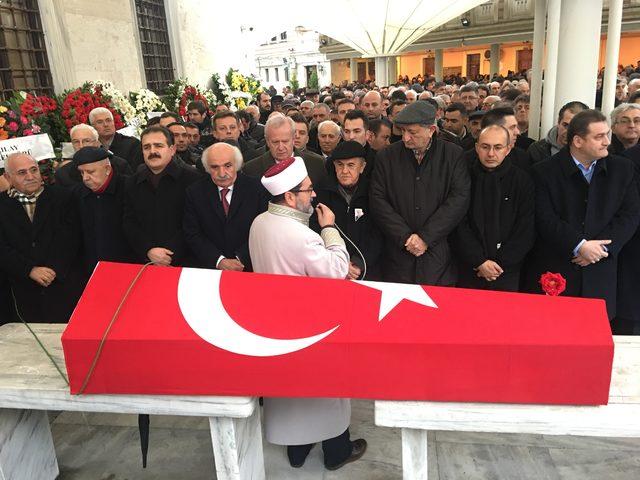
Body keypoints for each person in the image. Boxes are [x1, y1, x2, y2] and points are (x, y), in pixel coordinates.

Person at [249, 156, 367, 471]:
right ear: (289, 196)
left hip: (275, 328)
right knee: (325, 393)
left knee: (290, 394)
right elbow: (337, 269)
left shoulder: (260, 222)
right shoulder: (302, 236)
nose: (313, 195)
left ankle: (298, 452)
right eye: (308, 190)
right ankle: (337, 452)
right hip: (311, 329)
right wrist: (329, 229)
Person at [526, 109, 640, 319]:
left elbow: (630, 215)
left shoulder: (623, 169)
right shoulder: (543, 172)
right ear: (578, 141)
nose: (607, 141)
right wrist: (579, 245)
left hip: (601, 269)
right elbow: (545, 218)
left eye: (607, 134)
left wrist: (599, 248)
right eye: (599, 136)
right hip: (559, 267)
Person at [370, 101, 470, 285]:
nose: (406, 138)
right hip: (397, 254)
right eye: (402, 131)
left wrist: (426, 237)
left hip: (438, 254)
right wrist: (406, 237)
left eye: (413, 133)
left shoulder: (453, 155)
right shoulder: (386, 157)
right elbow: (378, 200)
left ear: (431, 129)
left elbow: (458, 199)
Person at [0, 153, 82, 323]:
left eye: (33, 170)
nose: (30, 176)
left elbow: (72, 238)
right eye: (22, 173)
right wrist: (29, 270)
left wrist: (52, 269)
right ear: (8, 177)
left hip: (62, 286)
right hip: (20, 290)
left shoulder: (63, 197)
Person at [452, 126, 535, 291]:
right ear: (476, 147)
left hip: (506, 271)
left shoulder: (522, 181)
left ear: (508, 149)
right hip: (468, 268)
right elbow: (457, 222)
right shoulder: (462, 176)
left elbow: (526, 228)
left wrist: (499, 264)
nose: (491, 153)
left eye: (498, 147)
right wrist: (479, 261)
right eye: (485, 147)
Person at [123, 126, 202, 266]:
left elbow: (195, 223)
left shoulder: (193, 180)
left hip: (185, 262)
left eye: (158, 146)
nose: (152, 151)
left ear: (172, 150)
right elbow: (129, 223)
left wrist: (169, 253)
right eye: (147, 147)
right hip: (145, 262)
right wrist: (148, 250)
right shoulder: (132, 183)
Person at [183, 143, 268, 271]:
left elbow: (263, 230)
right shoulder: (195, 193)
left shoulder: (257, 189)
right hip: (210, 269)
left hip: (250, 267)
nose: (222, 173)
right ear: (207, 168)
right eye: (214, 167)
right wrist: (219, 260)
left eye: (228, 166)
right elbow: (193, 233)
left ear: (237, 165)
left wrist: (241, 258)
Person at [312, 141, 383, 280]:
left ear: (362, 167)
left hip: (365, 269)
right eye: (340, 165)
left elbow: (378, 232)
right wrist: (340, 264)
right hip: (330, 269)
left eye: (351, 165)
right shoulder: (320, 192)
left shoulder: (374, 192)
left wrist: (357, 263)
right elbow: (314, 231)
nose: (344, 171)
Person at [73, 146, 133, 274]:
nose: (85, 178)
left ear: (107, 169)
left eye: (90, 172)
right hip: (93, 269)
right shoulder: (77, 194)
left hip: (128, 266)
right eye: (81, 173)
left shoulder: (130, 188)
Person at [243, 115, 327, 185]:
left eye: (285, 141)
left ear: (294, 139)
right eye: (275, 142)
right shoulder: (251, 169)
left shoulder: (316, 164)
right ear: (267, 141)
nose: (281, 147)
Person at [55, 123, 132, 187]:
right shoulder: (63, 174)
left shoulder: (119, 165)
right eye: (76, 142)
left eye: (86, 141)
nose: (81, 146)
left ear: (97, 143)